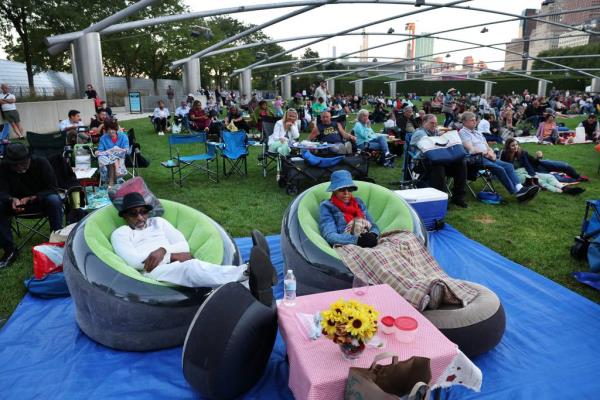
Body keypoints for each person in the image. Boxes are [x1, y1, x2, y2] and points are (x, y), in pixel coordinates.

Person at [319, 170, 478, 311]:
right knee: (379, 257)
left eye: (349, 189)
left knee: (406, 240)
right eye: (342, 190)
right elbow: (330, 234)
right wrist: (356, 240)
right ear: (334, 190)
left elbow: (373, 225)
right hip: (351, 242)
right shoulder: (327, 207)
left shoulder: (358, 202)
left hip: (368, 238)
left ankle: (431, 283)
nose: (346, 193)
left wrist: (374, 235)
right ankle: (416, 294)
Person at [111, 192, 275, 293]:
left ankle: (252, 283)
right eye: (133, 214)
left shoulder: (159, 222)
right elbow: (134, 261)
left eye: (143, 212)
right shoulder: (121, 233)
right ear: (125, 216)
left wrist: (163, 252)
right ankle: (247, 271)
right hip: (152, 271)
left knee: (193, 266)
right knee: (192, 266)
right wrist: (173, 256)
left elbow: (183, 246)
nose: (140, 217)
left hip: (169, 262)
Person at [0, 143, 63, 268]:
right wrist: (11, 199)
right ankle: (9, 250)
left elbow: (53, 188)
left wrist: (31, 198)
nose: (19, 167)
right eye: (15, 165)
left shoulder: (41, 163)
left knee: (54, 200)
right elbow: (1, 191)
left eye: (23, 163)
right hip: (15, 205)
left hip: (40, 202)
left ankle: (57, 243)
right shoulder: (3, 168)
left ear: (29, 158)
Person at [459, 111, 539, 202]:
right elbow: (471, 149)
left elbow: (487, 146)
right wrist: (486, 153)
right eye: (471, 120)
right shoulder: (463, 133)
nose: (474, 122)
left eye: (475, 120)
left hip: (487, 156)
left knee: (508, 166)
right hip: (476, 159)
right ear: (464, 122)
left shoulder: (478, 133)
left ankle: (520, 188)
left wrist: (492, 154)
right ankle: (517, 193)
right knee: (499, 169)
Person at [410, 114, 468, 208]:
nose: (434, 125)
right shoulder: (420, 133)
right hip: (422, 163)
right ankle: (441, 199)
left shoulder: (435, 131)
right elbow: (428, 149)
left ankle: (458, 197)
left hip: (440, 160)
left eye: (436, 123)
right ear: (424, 123)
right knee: (438, 165)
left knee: (461, 163)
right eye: (432, 123)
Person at [500, 138, 584, 195]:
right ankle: (560, 191)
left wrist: (538, 160)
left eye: (516, 144)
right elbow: (504, 168)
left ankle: (564, 187)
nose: (515, 147)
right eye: (513, 145)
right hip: (517, 174)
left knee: (549, 176)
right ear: (508, 147)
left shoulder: (522, 153)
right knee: (540, 181)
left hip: (527, 171)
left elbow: (531, 163)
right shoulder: (505, 155)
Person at [96, 119, 128, 188]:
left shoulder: (123, 136)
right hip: (108, 158)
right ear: (106, 130)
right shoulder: (103, 138)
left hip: (120, 157)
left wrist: (116, 150)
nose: (111, 131)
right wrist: (98, 152)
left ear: (116, 129)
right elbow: (100, 150)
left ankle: (111, 180)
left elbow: (125, 149)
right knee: (107, 158)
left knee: (115, 151)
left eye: (113, 129)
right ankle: (117, 172)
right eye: (108, 129)